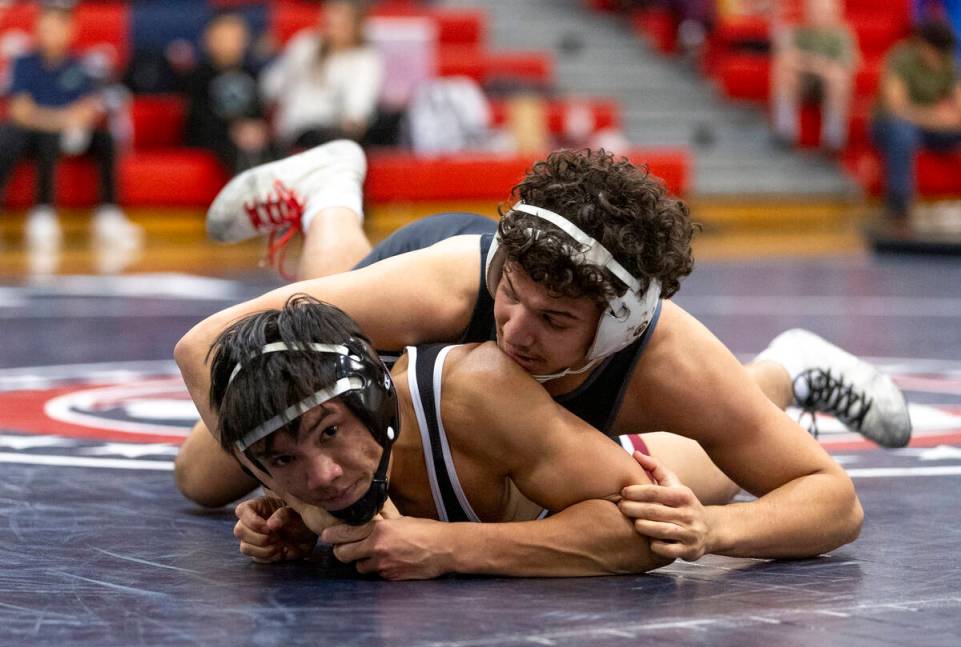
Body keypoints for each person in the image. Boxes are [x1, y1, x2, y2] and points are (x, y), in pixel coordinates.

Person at [175, 141, 907, 565]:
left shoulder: (668, 361)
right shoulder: (450, 284)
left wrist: (715, 530)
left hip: (546, 414)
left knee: (670, 485)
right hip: (417, 310)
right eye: (512, 294)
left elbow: (832, 503)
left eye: (553, 318)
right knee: (203, 476)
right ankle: (334, 192)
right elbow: (203, 345)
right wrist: (305, 496)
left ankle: (783, 373)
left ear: (620, 323)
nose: (515, 330)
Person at [210, 294, 682, 578]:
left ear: (373, 400)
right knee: (196, 477)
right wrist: (302, 518)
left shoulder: (471, 391)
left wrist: (446, 547)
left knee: (731, 423)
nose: (324, 476)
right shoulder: (302, 456)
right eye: (283, 461)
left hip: (645, 452)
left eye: (330, 432)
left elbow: (648, 533)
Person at [0, 0, 141, 250]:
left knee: (105, 140)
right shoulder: (24, 62)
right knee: (25, 137)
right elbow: (19, 111)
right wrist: (58, 120)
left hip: (72, 134)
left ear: (70, 29)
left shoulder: (82, 64)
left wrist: (56, 118)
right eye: (44, 26)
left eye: (56, 26)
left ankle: (108, 214)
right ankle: (42, 214)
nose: (49, 32)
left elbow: (88, 110)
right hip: (32, 137)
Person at [259, 0, 384, 152]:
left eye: (340, 16)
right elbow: (271, 87)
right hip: (295, 131)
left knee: (346, 143)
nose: (332, 21)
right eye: (329, 16)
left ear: (355, 23)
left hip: (335, 134)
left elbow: (357, 111)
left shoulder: (365, 59)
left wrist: (351, 125)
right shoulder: (305, 44)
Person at [870, 19, 961, 222]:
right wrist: (936, 117)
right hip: (888, 125)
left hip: (929, 126)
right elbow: (896, 108)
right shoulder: (901, 58)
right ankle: (899, 208)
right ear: (923, 46)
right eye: (934, 53)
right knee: (902, 132)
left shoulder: (948, 62)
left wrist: (943, 119)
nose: (938, 59)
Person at [181, 13, 273, 174]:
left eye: (235, 38)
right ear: (208, 40)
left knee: (273, 149)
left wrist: (257, 128)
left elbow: (256, 109)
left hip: (246, 134)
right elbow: (198, 116)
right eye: (223, 38)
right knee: (240, 152)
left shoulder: (251, 74)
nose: (230, 44)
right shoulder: (199, 75)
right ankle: (245, 196)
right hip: (213, 136)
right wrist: (233, 130)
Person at [770, 0, 860, 153]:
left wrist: (808, 62)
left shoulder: (843, 35)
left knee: (838, 79)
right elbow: (787, 59)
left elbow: (846, 67)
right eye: (815, 10)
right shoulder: (798, 31)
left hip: (829, 86)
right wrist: (820, 65)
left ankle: (834, 139)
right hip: (804, 83)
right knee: (785, 73)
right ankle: (785, 133)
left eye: (823, 11)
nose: (818, 15)